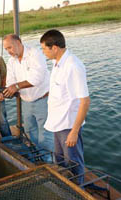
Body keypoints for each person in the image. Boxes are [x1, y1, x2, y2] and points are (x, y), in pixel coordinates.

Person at [40, 29, 90, 185]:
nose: (43, 53)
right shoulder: (57, 63)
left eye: (44, 49)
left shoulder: (73, 66)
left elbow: (85, 101)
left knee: (74, 163)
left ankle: (78, 191)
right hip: (57, 123)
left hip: (68, 126)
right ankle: (65, 189)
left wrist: (74, 132)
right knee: (60, 161)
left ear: (54, 47)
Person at [1, 34, 50, 148]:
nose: (9, 51)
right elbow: (10, 82)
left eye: (10, 47)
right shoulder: (11, 61)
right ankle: (36, 157)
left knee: (45, 134)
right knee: (29, 132)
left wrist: (16, 86)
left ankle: (49, 161)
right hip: (26, 102)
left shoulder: (35, 53)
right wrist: (5, 93)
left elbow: (37, 78)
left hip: (43, 100)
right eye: (6, 49)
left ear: (19, 43)